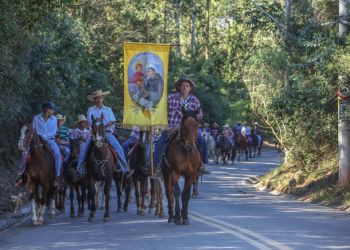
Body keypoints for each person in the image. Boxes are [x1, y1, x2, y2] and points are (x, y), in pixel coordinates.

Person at [153, 77, 209, 175]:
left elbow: (200, 115)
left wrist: (192, 115)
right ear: (179, 87)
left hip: (189, 129)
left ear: (190, 88)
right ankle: (156, 167)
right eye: (183, 85)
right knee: (160, 142)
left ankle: (202, 165)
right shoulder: (170, 98)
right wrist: (164, 126)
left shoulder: (195, 101)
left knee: (202, 141)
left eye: (187, 86)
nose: (184, 88)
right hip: (171, 127)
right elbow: (161, 111)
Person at [77, 89, 129, 175]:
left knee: (118, 147)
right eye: (96, 98)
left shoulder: (108, 110)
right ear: (94, 100)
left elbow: (113, 122)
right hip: (94, 133)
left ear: (102, 98)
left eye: (100, 98)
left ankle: (124, 168)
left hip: (107, 133)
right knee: (84, 149)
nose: (98, 100)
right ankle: (80, 170)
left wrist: (108, 125)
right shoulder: (90, 110)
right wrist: (103, 124)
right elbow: (90, 122)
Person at [16, 101, 61, 187]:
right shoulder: (36, 118)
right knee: (26, 152)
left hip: (50, 139)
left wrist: (45, 137)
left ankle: (57, 176)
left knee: (57, 153)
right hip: (38, 139)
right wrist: (39, 137)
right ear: (47, 110)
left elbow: (54, 131)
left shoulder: (54, 119)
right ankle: (22, 175)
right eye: (52, 109)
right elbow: (33, 130)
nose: (53, 111)